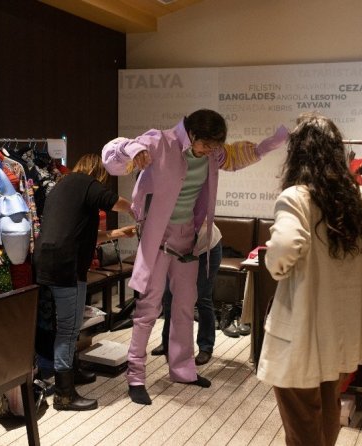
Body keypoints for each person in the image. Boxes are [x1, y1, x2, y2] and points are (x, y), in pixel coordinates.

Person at [102, 109, 289, 405]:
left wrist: (272, 143)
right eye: (206, 145)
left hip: (188, 236)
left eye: (215, 147)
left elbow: (239, 156)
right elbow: (112, 155)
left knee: (185, 306)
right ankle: (135, 376)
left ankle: (182, 369)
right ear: (191, 134)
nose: (210, 152)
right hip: (156, 236)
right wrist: (133, 151)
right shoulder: (159, 142)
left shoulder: (212, 155)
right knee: (148, 307)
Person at [256, 112, 362, 446]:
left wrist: (280, 267)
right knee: (327, 412)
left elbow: (283, 251)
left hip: (300, 332)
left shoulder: (297, 197)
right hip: (343, 333)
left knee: (302, 425)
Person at [33, 153, 135, 411]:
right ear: (97, 172)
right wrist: (139, 208)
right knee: (68, 329)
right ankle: (64, 394)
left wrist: (119, 233)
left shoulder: (62, 186)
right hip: (67, 266)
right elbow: (115, 202)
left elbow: (84, 234)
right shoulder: (86, 183)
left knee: (63, 326)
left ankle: (72, 371)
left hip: (45, 262)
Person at [151, 220, 223, 366]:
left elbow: (199, 222)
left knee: (202, 297)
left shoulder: (193, 205)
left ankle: (206, 346)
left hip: (206, 249)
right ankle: (167, 341)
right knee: (169, 295)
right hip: (177, 251)